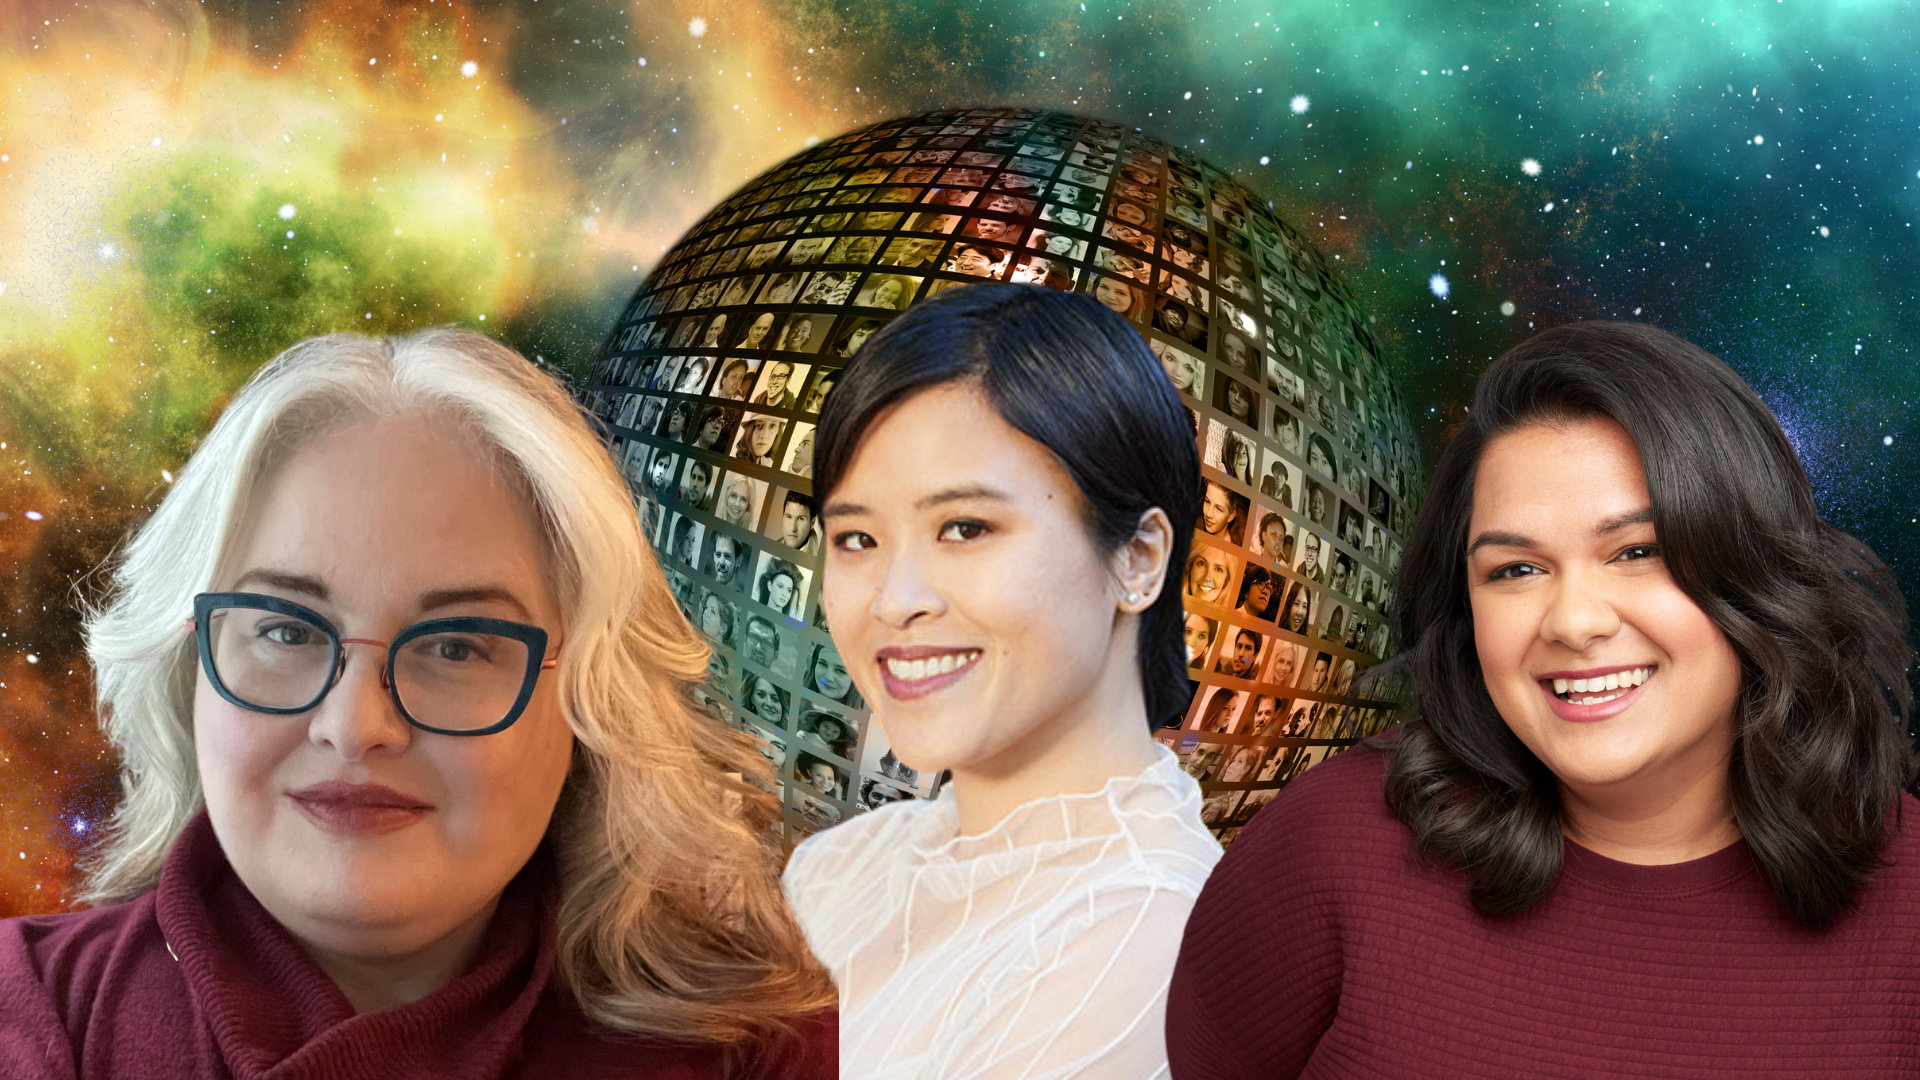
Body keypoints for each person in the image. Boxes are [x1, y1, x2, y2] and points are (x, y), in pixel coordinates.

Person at [0, 330, 834, 1078]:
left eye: (457, 646)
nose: (356, 727)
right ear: (189, 671)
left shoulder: (779, 1050)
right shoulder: (32, 1009)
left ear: (590, 706)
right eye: (286, 632)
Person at [1167, 322, 1920, 1076]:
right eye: (1516, 570)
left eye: (1636, 553)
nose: (1574, 622)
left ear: (1756, 572)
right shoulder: (1328, 846)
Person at [780, 285, 1221, 1079]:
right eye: (855, 537)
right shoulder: (839, 866)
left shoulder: (1142, 934)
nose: (894, 599)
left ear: (1139, 558)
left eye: (966, 527)